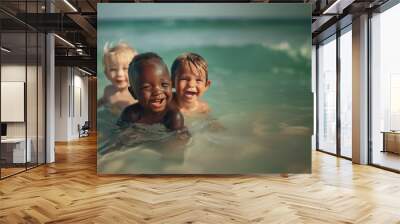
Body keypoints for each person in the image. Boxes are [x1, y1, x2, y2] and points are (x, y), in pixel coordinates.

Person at [118, 52, 186, 132]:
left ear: (171, 84)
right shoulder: (131, 114)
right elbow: (118, 136)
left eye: (164, 84)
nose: (157, 91)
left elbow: (178, 142)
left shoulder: (173, 117)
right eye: (147, 87)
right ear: (133, 93)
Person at [98, 42, 138, 115]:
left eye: (125, 68)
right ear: (106, 74)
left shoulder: (137, 94)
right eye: (113, 69)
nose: (119, 74)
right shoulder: (108, 90)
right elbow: (102, 101)